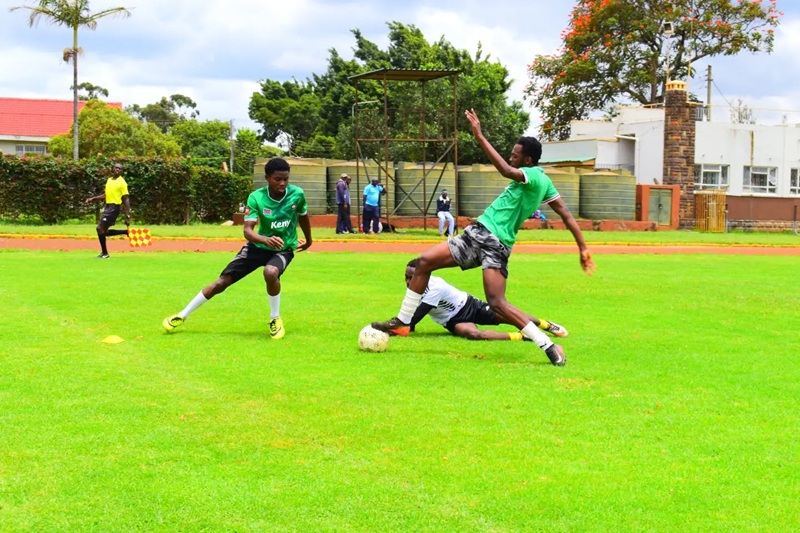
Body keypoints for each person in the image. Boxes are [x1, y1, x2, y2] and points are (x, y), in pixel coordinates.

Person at [372, 108, 595, 366]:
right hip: (476, 233)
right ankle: (403, 321)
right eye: (511, 153)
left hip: (494, 243)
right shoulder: (544, 182)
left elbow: (505, 171)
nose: (511, 157)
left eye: (515, 155)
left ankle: (549, 345)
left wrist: (479, 136)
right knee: (423, 263)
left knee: (498, 304)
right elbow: (566, 213)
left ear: (529, 160)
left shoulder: (532, 175)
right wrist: (583, 248)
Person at [162, 157, 312, 339]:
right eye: (277, 179)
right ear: (267, 178)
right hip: (257, 247)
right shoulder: (256, 197)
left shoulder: (297, 194)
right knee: (221, 283)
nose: (282, 183)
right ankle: (182, 315)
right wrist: (265, 240)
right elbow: (248, 231)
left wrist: (309, 240)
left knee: (271, 272)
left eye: (286, 179)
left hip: (283, 248)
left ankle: (275, 318)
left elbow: (303, 216)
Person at [403, 258, 567, 341]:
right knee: (475, 335)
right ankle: (523, 337)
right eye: (407, 277)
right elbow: (411, 322)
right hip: (452, 321)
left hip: (470, 306)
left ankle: (546, 324)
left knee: (509, 316)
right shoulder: (412, 292)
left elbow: (413, 318)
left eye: (413, 277)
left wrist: (393, 327)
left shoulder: (435, 287)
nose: (409, 282)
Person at [84, 162, 131, 259]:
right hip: (108, 207)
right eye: (116, 168)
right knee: (104, 232)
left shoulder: (122, 182)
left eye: (119, 168)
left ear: (121, 171)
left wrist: (128, 215)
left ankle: (105, 253)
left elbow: (126, 199)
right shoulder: (109, 180)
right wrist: (93, 199)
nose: (117, 169)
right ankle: (126, 232)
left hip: (114, 208)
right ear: (113, 169)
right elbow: (106, 195)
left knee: (99, 228)